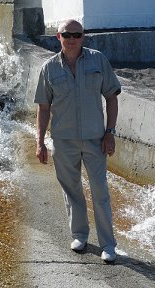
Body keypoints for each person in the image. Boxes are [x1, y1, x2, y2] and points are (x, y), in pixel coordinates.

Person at [34, 19, 121, 262]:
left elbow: (112, 98)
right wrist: (39, 142)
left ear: (83, 36)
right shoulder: (49, 68)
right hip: (63, 141)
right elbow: (43, 108)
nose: (72, 38)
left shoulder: (98, 60)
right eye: (67, 34)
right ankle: (80, 235)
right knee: (71, 191)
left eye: (77, 34)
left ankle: (108, 245)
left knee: (100, 191)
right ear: (58, 37)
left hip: (96, 139)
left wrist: (110, 132)